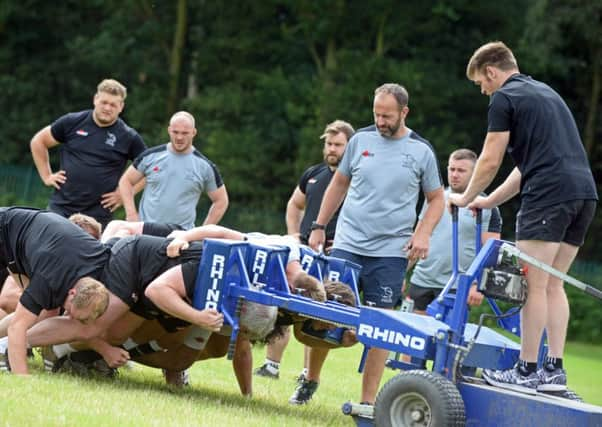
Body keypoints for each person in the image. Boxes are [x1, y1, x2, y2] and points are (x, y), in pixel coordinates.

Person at [448, 41, 597, 394]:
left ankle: (526, 369)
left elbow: (489, 158)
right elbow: (524, 167)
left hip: (548, 196)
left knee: (532, 285)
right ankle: (553, 371)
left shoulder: (504, 98)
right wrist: (487, 202)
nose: (483, 92)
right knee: (554, 284)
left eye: (480, 84)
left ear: (491, 72)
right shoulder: (545, 93)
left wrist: (465, 196)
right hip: (583, 193)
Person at [308, 83, 445, 406]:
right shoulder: (360, 141)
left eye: (387, 116)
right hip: (348, 243)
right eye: (376, 114)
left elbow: (437, 199)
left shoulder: (421, 151)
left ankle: (368, 403)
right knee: (327, 313)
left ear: (404, 113)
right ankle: (309, 380)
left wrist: (423, 232)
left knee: (382, 327)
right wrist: (318, 225)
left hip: (390, 253)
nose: (381, 121)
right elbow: (339, 183)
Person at [255, 119, 354, 380]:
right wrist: (292, 236)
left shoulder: (355, 181)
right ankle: (271, 366)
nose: (332, 149)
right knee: (285, 301)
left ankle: (307, 373)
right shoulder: (313, 174)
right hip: (305, 249)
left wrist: (344, 243)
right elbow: (294, 205)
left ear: (350, 147)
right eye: (329, 144)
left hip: (334, 255)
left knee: (318, 312)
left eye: (338, 145)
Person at [0, 207, 111, 374]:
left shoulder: (100, 262)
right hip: (6, 229)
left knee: (47, 312)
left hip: (32, 240)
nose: (70, 320)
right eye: (73, 314)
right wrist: (22, 377)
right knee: (28, 316)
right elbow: (17, 327)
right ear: (72, 293)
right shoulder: (49, 280)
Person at [30, 79, 147, 228]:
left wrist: (123, 195)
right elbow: (38, 142)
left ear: (121, 107)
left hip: (97, 216)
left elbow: (150, 168)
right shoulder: (72, 122)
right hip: (61, 208)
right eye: (104, 102)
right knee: (49, 249)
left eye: (113, 104)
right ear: (95, 99)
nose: (107, 108)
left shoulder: (128, 136)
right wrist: (47, 176)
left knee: (85, 251)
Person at [407, 149, 502, 312]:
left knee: (446, 336)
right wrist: (400, 273)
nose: (455, 174)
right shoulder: (434, 199)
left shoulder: (487, 206)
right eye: (452, 169)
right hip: (422, 280)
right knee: (413, 334)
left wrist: (479, 285)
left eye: (461, 170)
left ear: (474, 173)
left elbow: (491, 253)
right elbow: (417, 238)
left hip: (457, 285)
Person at [119, 111, 229, 230]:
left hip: (180, 237)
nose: (179, 137)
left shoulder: (205, 167)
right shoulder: (150, 156)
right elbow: (126, 181)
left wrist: (201, 232)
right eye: (175, 132)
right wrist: (131, 215)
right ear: (169, 130)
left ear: (194, 133)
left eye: (185, 133)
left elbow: (221, 200)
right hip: (145, 232)